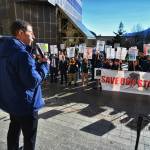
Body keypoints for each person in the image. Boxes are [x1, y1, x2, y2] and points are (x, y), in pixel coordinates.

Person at [0, 20, 49, 150]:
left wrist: (34, 63)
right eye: (31, 33)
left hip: (11, 101)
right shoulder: (22, 54)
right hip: (26, 104)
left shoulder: (4, 49)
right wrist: (44, 66)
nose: (33, 36)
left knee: (14, 128)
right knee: (29, 137)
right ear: (21, 33)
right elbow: (32, 81)